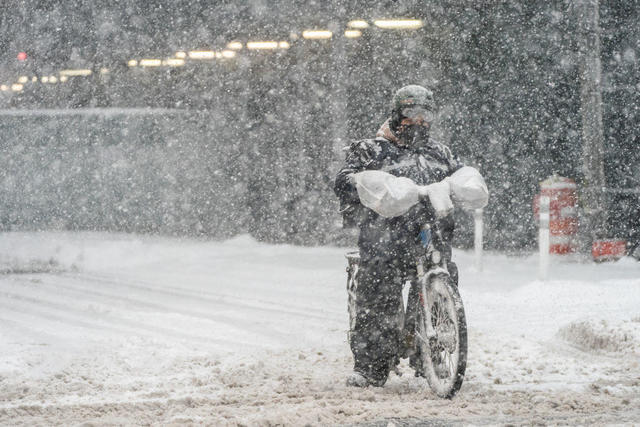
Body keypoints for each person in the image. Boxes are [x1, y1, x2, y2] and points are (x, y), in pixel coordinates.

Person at [334, 85, 467, 387]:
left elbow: (460, 176)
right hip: (384, 241)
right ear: (396, 114)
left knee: (446, 275)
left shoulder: (440, 153)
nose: (418, 120)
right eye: (410, 113)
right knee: (378, 291)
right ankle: (372, 367)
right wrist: (361, 182)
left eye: (425, 114)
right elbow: (344, 180)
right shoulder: (372, 150)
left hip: (430, 239)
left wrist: (464, 185)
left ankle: (430, 357)